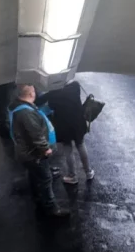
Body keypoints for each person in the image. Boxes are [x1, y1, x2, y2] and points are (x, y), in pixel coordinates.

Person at [9, 85, 69, 217]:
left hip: (26, 154)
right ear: (31, 94)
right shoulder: (26, 113)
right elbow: (35, 134)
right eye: (33, 90)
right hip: (34, 154)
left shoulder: (20, 107)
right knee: (46, 178)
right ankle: (51, 208)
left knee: (34, 175)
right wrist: (45, 149)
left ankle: (37, 198)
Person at [37, 80, 93, 185]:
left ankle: (72, 176)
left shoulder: (53, 93)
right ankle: (88, 172)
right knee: (80, 144)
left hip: (64, 125)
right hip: (78, 122)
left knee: (68, 149)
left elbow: (42, 103)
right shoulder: (75, 85)